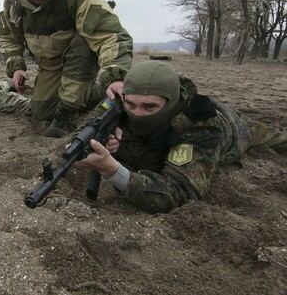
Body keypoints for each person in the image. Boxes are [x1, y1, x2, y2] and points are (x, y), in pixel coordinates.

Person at [74, 60, 287, 213]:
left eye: (150, 106)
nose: (137, 113)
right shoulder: (121, 99)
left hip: (234, 128)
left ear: (170, 102)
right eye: (131, 104)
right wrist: (106, 139)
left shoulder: (201, 127)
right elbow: (83, 131)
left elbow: (179, 192)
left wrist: (113, 170)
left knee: (275, 136)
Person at [0, 0, 133, 138]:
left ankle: (68, 112)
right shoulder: (13, 1)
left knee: (84, 45)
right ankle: (92, 93)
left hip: (79, 57)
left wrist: (116, 78)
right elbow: (9, 37)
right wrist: (16, 66)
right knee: (41, 112)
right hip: (50, 65)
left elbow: (110, 36)